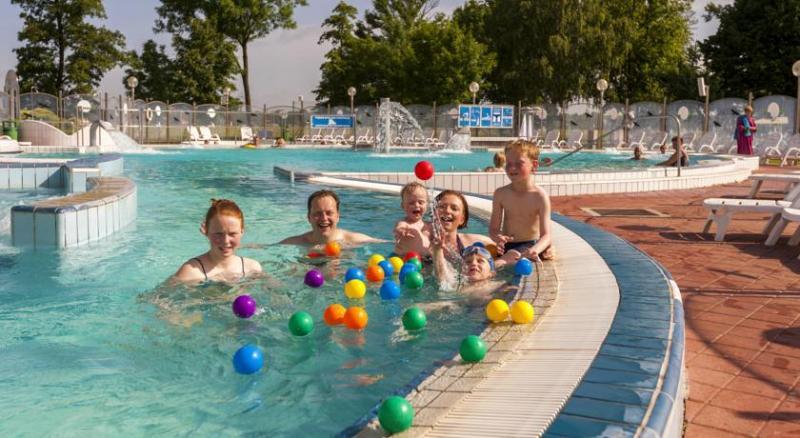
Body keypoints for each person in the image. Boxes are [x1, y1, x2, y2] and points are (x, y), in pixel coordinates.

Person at [489, 139, 553, 268]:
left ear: (534, 165)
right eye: (509, 163)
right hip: (507, 246)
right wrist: (498, 238)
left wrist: (536, 249)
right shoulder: (500, 194)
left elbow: (546, 235)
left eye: (519, 163)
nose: (512, 168)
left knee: (504, 261)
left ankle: (490, 270)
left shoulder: (539, 196)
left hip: (529, 245)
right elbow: (493, 229)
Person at [173, 199, 263, 284]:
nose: (226, 241)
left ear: (242, 232)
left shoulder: (252, 268)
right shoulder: (191, 272)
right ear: (206, 232)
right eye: (218, 234)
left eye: (232, 234)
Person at [281, 189, 382, 246]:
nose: (324, 218)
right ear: (309, 217)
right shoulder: (298, 242)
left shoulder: (354, 240)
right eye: (318, 213)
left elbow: (386, 243)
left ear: (338, 216)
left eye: (329, 213)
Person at [393, 182, 433, 257]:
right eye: (411, 203)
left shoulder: (429, 226)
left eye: (421, 202)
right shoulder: (404, 223)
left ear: (427, 205)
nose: (416, 205)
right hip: (403, 260)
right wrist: (401, 231)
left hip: (426, 260)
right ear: (403, 206)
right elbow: (398, 228)